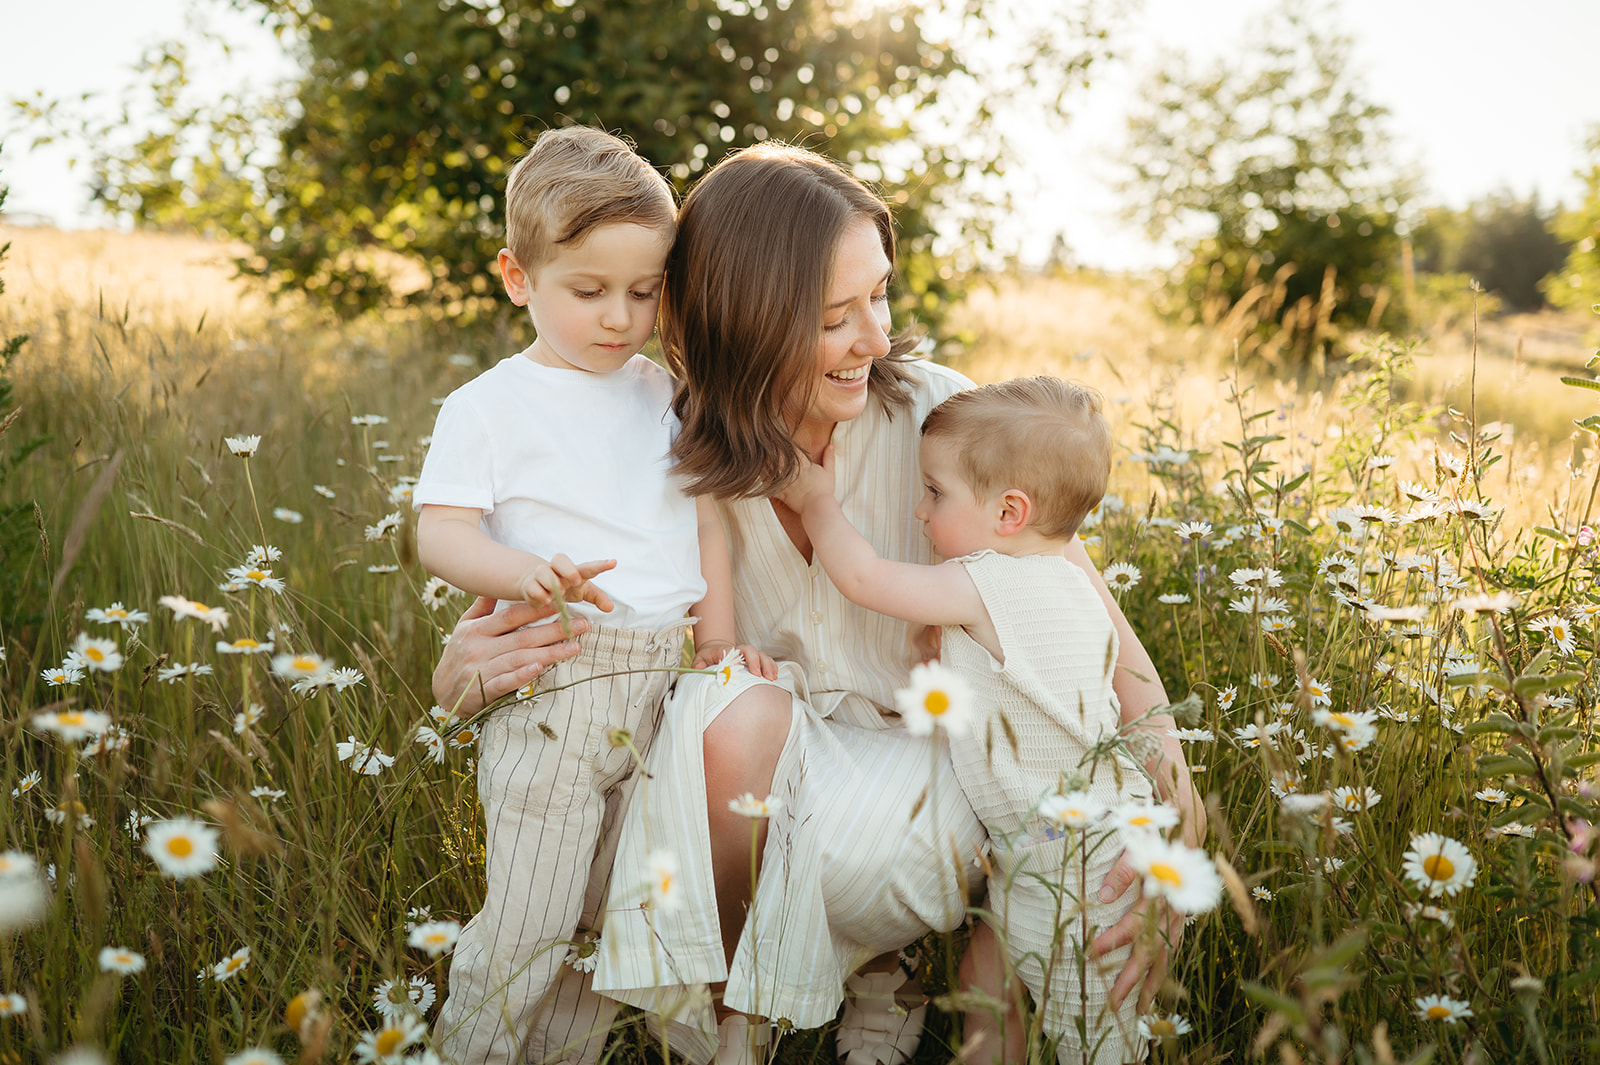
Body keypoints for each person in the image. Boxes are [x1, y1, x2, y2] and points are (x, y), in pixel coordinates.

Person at [431, 142, 1202, 1065]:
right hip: (776, 773)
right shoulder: (663, 440)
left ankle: (894, 960)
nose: (876, 337)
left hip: (948, 785)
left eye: (879, 294)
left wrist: (1159, 790)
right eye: (838, 316)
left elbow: (1085, 623)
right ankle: (732, 1023)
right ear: (748, 321)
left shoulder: (944, 422)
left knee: (913, 834)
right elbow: (574, 590)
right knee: (717, 720)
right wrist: (465, 665)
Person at [412, 125, 784, 1065]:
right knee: (534, 907)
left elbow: (707, 524)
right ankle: (474, 1049)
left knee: (607, 911)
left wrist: (716, 642)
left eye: (644, 292)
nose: (619, 316)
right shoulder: (489, 406)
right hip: (559, 673)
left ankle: (560, 1055)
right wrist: (519, 574)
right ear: (517, 275)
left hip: (663, 680)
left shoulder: (662, 391)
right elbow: (441, 531)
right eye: (589, 291)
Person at [776, 376, 1173, 1064]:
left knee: (1093, 1029)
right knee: (984, 985)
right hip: (1060, 838)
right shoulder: (1066, 582)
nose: (921, 512)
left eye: (936, 492)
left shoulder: (989, 580)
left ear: (1009, 512)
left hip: (1078, 865)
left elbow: (865, 578)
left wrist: (816, 500)